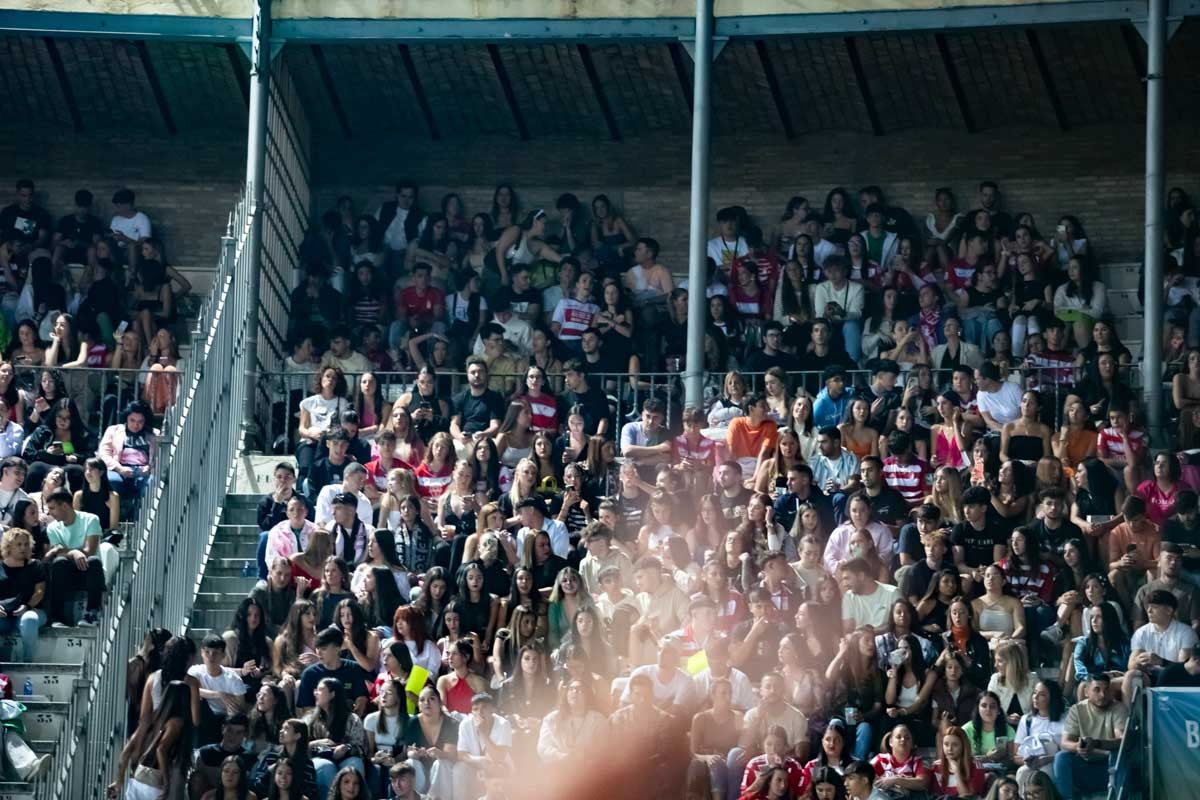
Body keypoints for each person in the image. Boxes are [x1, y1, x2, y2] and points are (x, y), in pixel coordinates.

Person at [1052, 675, 1127, 800]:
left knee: (1120, 756)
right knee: (1061, 758)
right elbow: (1065, 743)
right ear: (1086, 692)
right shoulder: (1077, 709)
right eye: (1097, 690)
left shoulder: (1118, 708)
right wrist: (1079, 747)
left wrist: (1097, 743)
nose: (1103, 694)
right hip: (1085, 766)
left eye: (1106, 689)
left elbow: (1123, 741)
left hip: (1108, 768)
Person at [44, 488, 104, 626]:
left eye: (52, 508)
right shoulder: (52, 527)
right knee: (59, 562)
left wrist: (68, 551)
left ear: (64, 506)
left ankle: (92, 613)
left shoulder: (91, 519)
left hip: (88, 570)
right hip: (67, 571)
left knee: (94, 561)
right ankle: (57, 617)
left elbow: (90, 551)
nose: (49, 513)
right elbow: (56, 552)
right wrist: (73, 552)